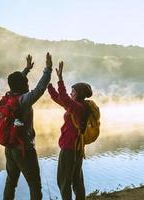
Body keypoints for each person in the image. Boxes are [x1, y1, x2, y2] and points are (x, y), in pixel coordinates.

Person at [3, 53, 53, 200]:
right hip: (24, 149)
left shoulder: (8, 97)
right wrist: (48, 69)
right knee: (35, 185)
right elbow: (40, 89)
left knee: (11, 182)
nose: (28, 84)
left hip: (9, 147)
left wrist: (26, 69)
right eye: (26, 82)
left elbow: (16, 82)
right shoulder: (24, 100)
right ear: (24, 85)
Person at [47, 61, 92, 200]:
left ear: (78, 94)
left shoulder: (77, 107)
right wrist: (48, 86)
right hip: (77, 148)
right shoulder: (77, 107)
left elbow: (64, 98)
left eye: (73, 91)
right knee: (77, 179)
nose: (71, 93)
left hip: (69, 148)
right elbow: (60, 98)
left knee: (64, 181)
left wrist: (60, 79)